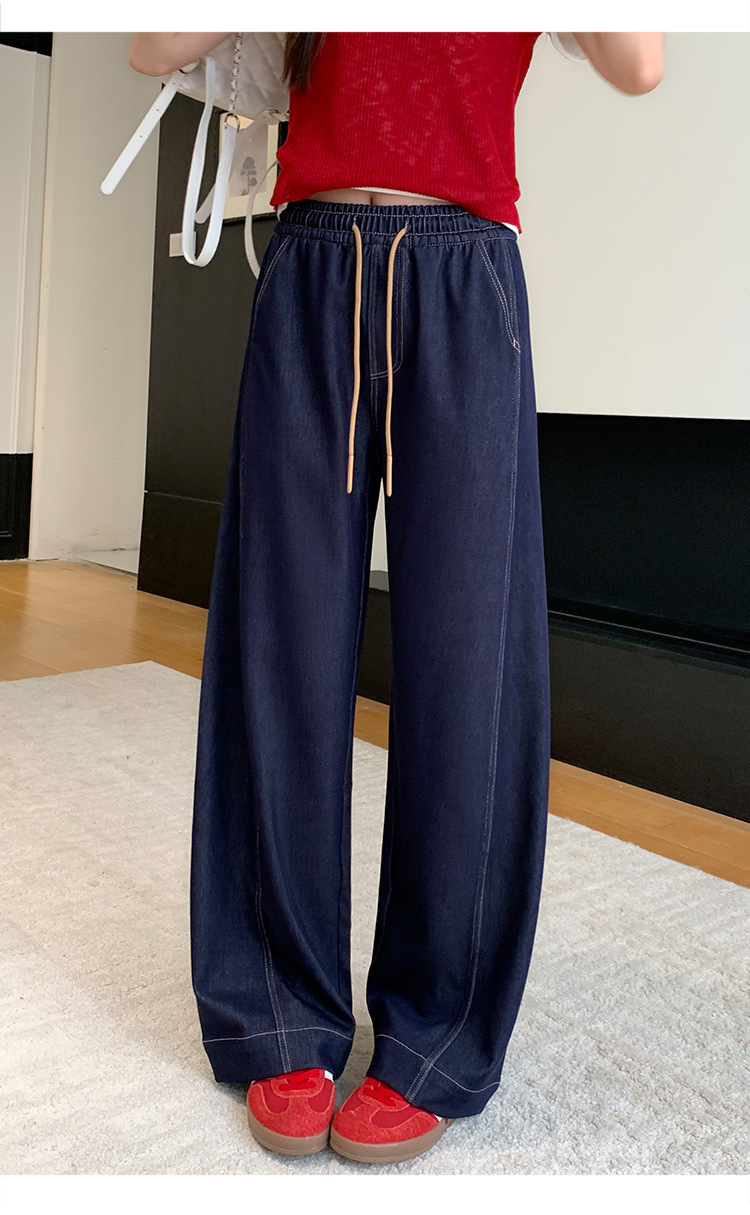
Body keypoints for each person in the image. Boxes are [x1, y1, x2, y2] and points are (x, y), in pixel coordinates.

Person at [131, 29, 664, 1166]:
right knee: (279, 648)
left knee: (468, 663)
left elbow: (640, 62)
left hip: (465, 274)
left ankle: (437, 1029)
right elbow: (151, 44)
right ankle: (279, 1008)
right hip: (313, 263)